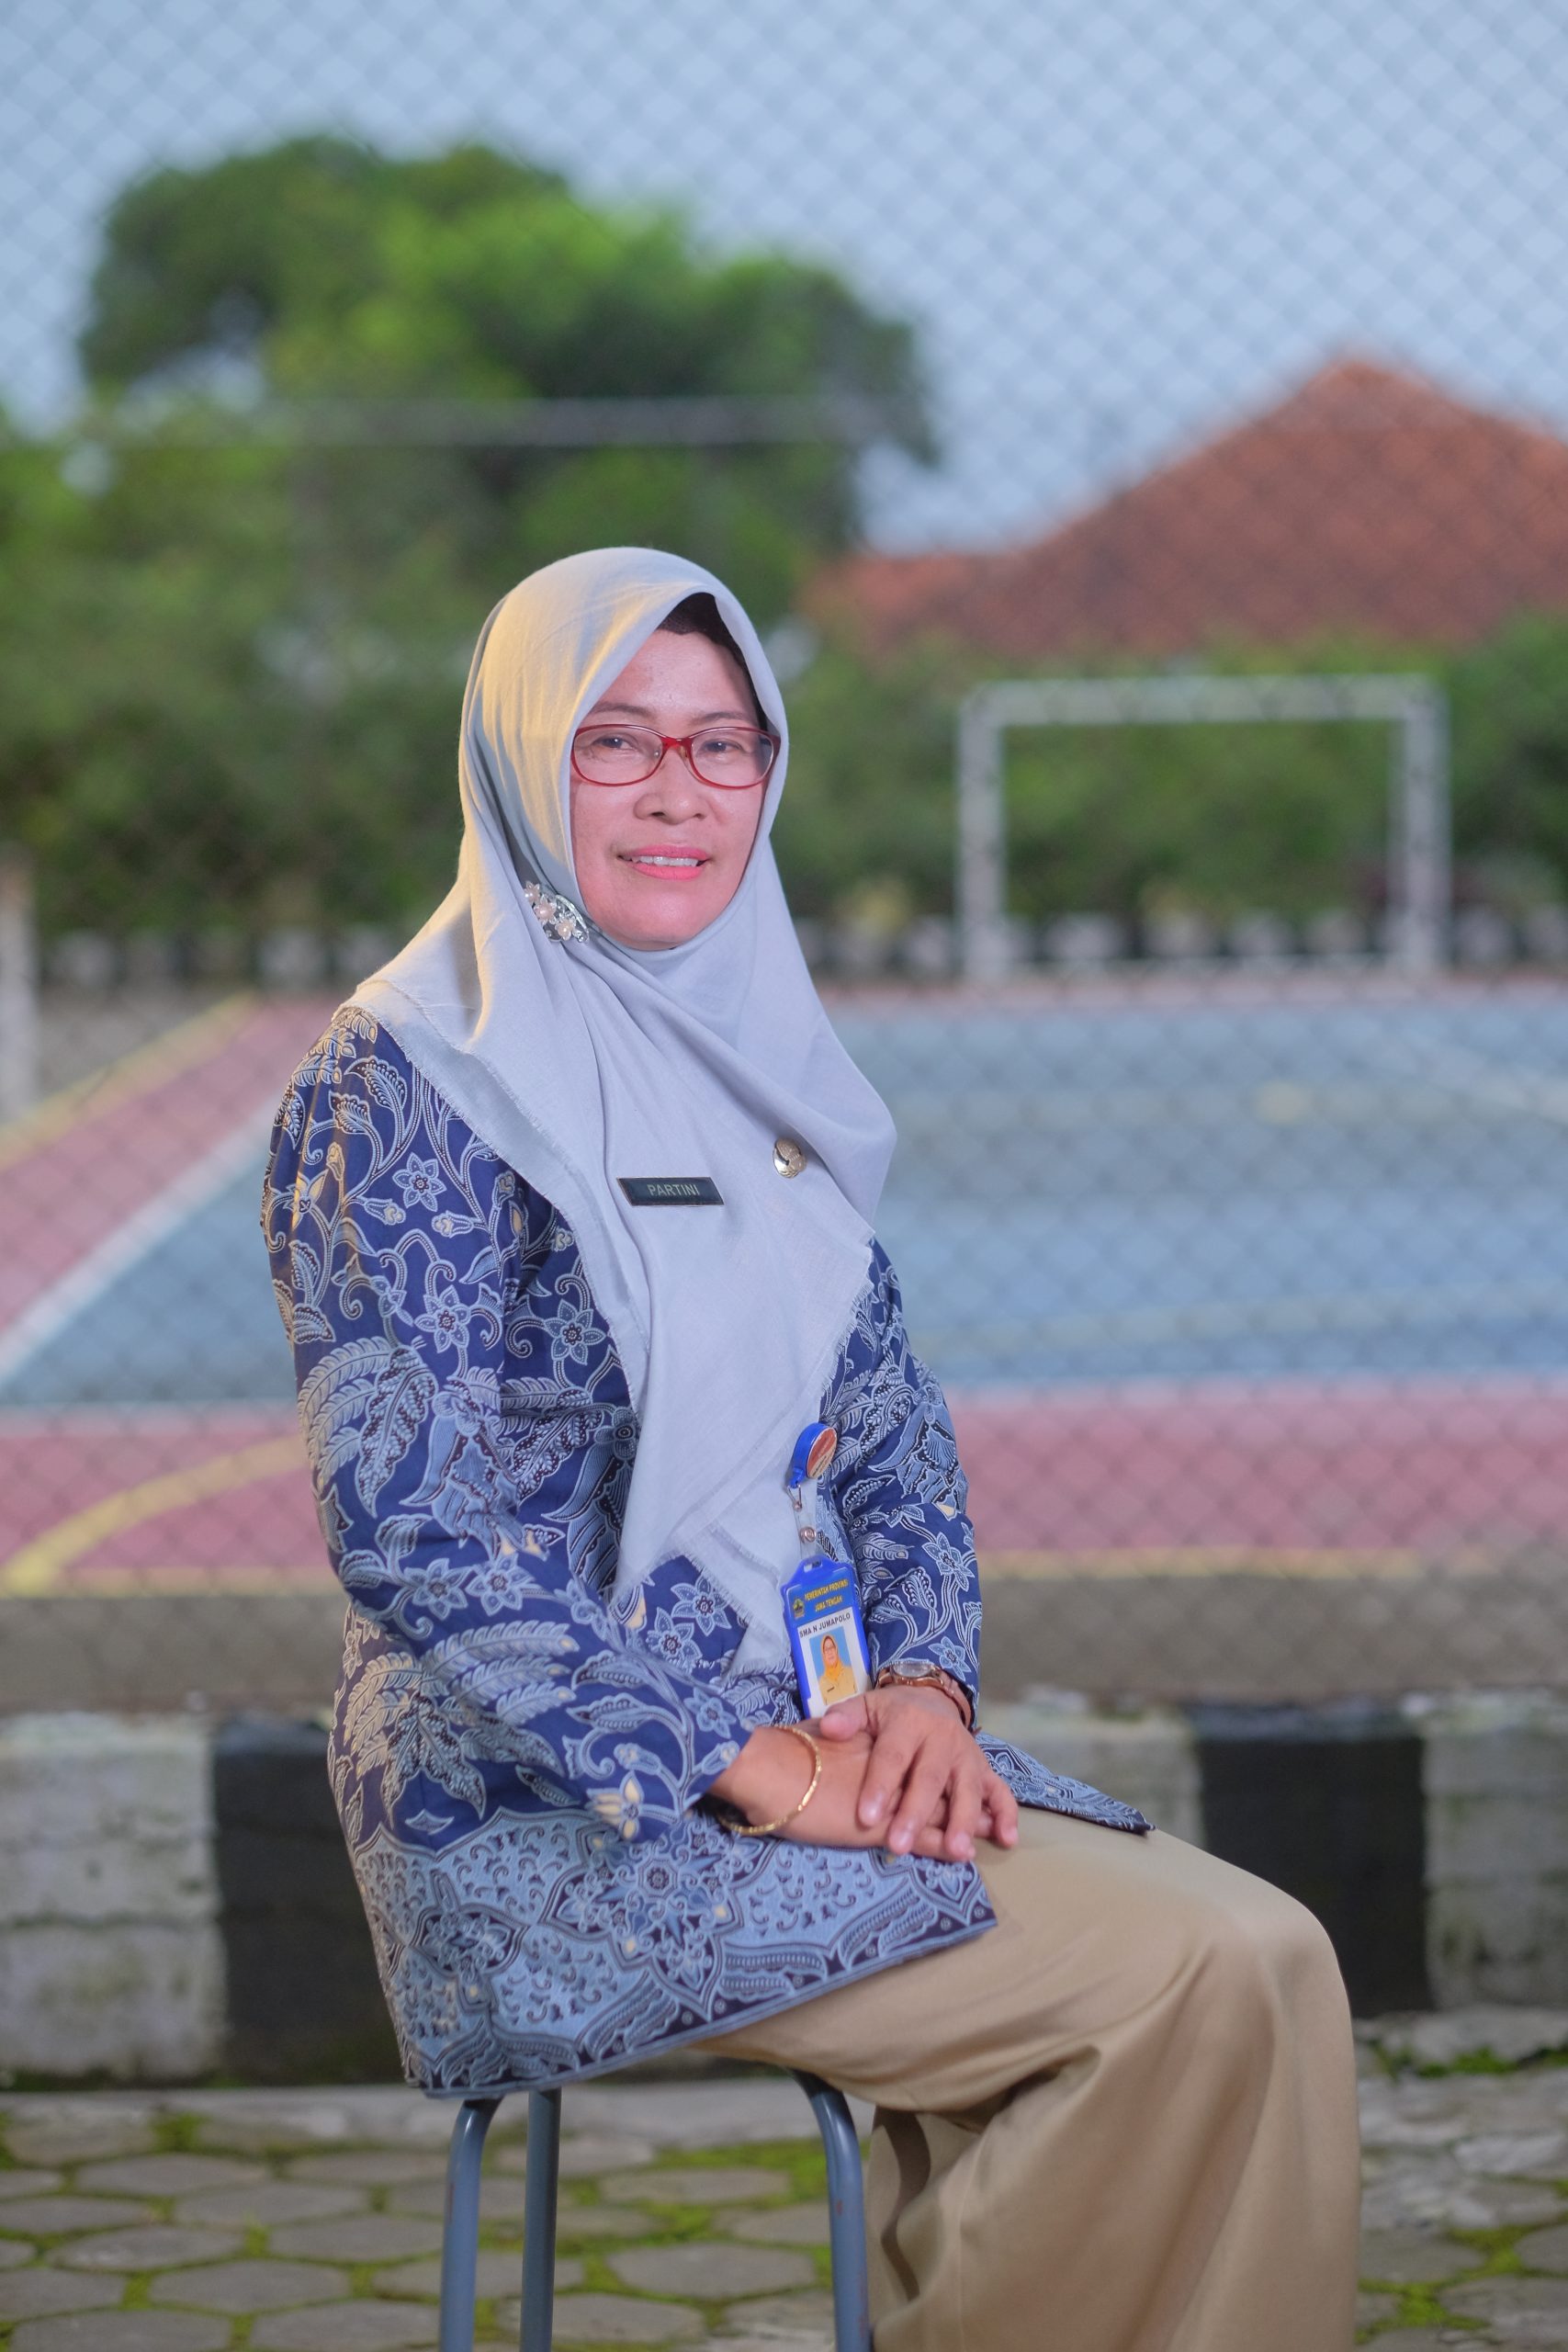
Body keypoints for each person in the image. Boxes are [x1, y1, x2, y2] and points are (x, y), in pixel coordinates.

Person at [263, 547, 1359, 2352]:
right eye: (615, 740)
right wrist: (748, 1762)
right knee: (1189, 1981)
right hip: (551, 1814)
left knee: (1274, 1957)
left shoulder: (752, 1063)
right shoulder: (409, 1081)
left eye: (724, 743)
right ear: (521, 758)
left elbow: (889, 1438)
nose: (678, 791)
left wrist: (922, 1684)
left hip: (826, 1741)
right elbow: (412, 1526)